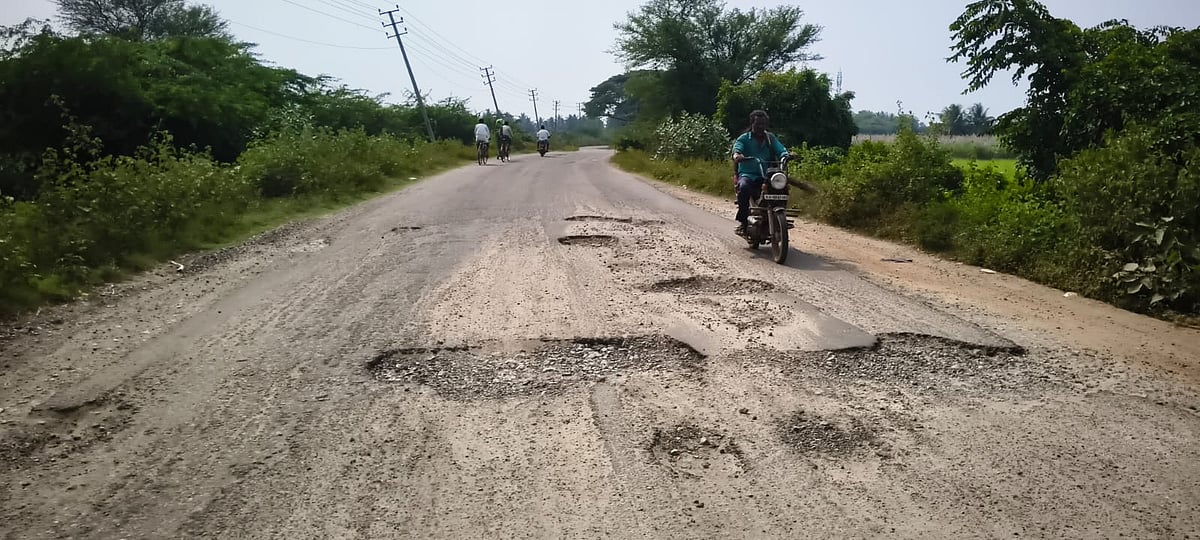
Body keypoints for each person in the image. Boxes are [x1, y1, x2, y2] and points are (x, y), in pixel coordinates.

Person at [731, 110, 788, 236]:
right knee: (744, 187)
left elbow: (781, 149)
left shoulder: (770, 138)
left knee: (782, 187)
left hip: (766, 175)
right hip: (748, 174)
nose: (760, 127)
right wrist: (738, 155)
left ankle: (779, 214)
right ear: (752, 124)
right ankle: (743, 221)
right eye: (758, 124)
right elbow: (737, 149)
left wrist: (786, 155)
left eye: (763, 124)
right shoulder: (744, 139)